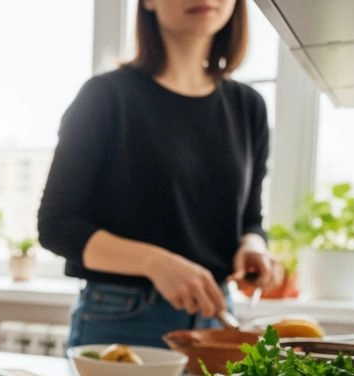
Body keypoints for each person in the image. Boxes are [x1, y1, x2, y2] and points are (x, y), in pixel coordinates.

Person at [38, 0, 282, 349]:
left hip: (216, 318)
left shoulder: (248, 106)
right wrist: (155, 263)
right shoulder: (105, 96)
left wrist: (252, 246)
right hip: (122, 319)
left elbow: (250, 220)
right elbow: (56, 225)